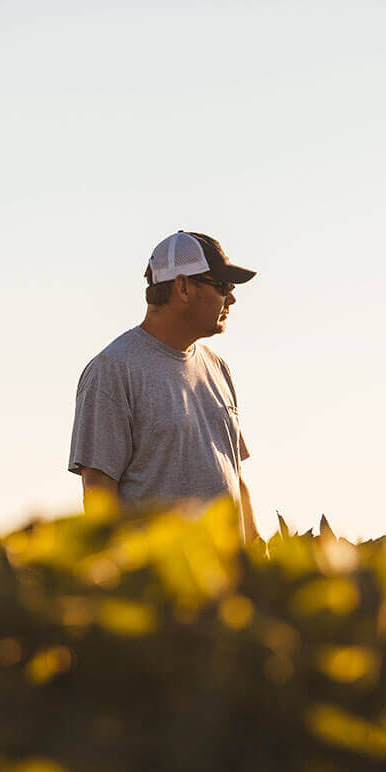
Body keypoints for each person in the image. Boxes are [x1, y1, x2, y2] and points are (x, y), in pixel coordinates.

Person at [68, 230, 261, 541]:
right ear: (183, 287)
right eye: (222, 286)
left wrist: (255, 549)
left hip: (225, 570)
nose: (232, 298)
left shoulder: (218, 368)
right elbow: (99, 491)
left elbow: (235, 477)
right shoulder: (112, 370)